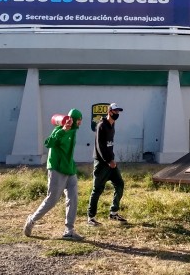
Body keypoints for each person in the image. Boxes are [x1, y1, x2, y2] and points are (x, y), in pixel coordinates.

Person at [23, 109, 84, 240]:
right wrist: (63, 130)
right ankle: (32, 220)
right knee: (52, 199)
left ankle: (69, 230)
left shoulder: (74, 131)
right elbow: (49, 143)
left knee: (73, 199)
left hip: (69, 169)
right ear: (73, 119)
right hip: (57, 168)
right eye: (79, 119)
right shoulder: (60, 130)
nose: (81, 122)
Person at [86, 102, 127, 226]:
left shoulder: (112, 124)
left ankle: (113, 213)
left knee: (119, 184)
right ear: (109, 112)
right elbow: (100, 146)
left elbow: (109, 145)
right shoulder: (101, 125)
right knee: (97, 189)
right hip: (102, 163)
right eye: (115, 111)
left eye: (118, 112)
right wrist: (109, 161)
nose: (117, 114)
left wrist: (112, 160)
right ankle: (91, 218)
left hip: (111, 163)